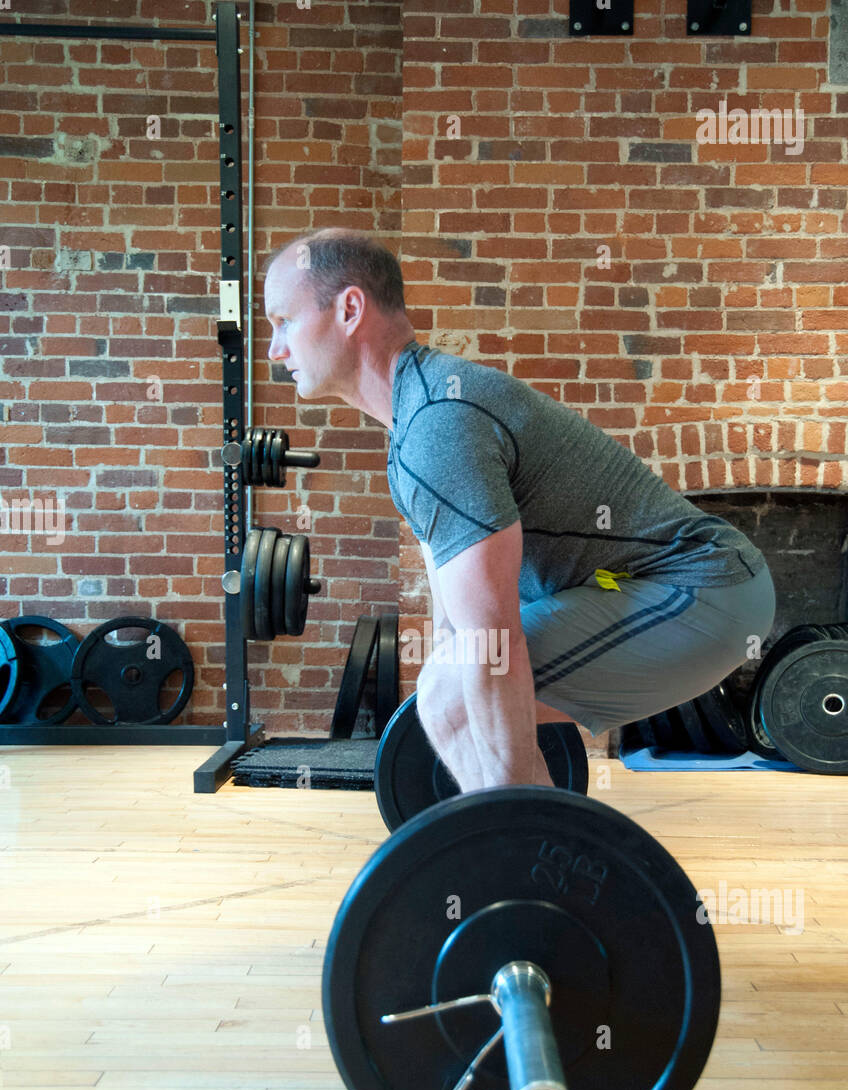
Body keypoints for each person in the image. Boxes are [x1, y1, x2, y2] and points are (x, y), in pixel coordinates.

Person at [265, 228, 775, 791]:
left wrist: (504, 825)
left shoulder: (438, 426)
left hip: (704, 589)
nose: (275, 349)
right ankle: (539, 853)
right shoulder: (417, 425)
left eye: (283, 321)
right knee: (450, 690)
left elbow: (492, 643)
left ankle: (525, 857)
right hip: (659, 589)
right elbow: (456, 627)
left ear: (350, 309)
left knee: (454, 696)